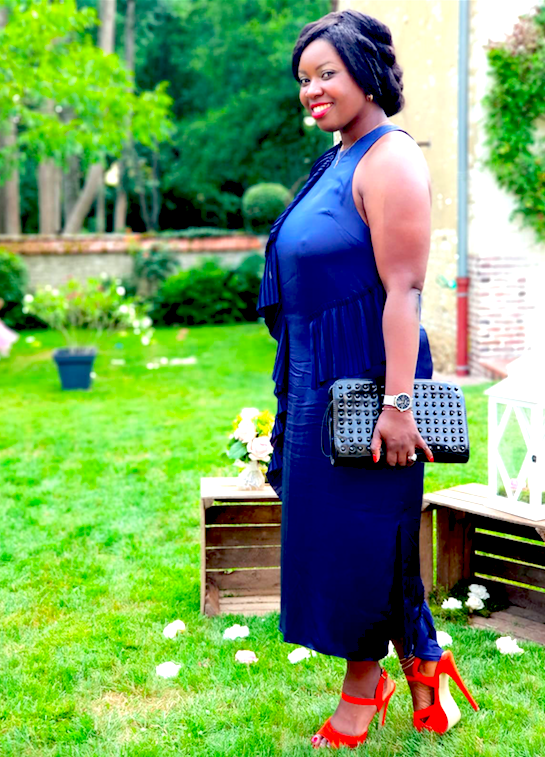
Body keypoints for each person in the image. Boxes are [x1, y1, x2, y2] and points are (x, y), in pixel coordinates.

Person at [256, 10, 479, 749]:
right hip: (317, 376)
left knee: (358, 537)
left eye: (327, 73)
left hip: (369, 380)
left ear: (367, 75)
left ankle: (362, 691)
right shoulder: (339, 156)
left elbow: (404, 291)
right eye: (303, 78)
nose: (311, 90)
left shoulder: (390, 158)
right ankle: (424, 660)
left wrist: (397, 403)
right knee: (350, 537)